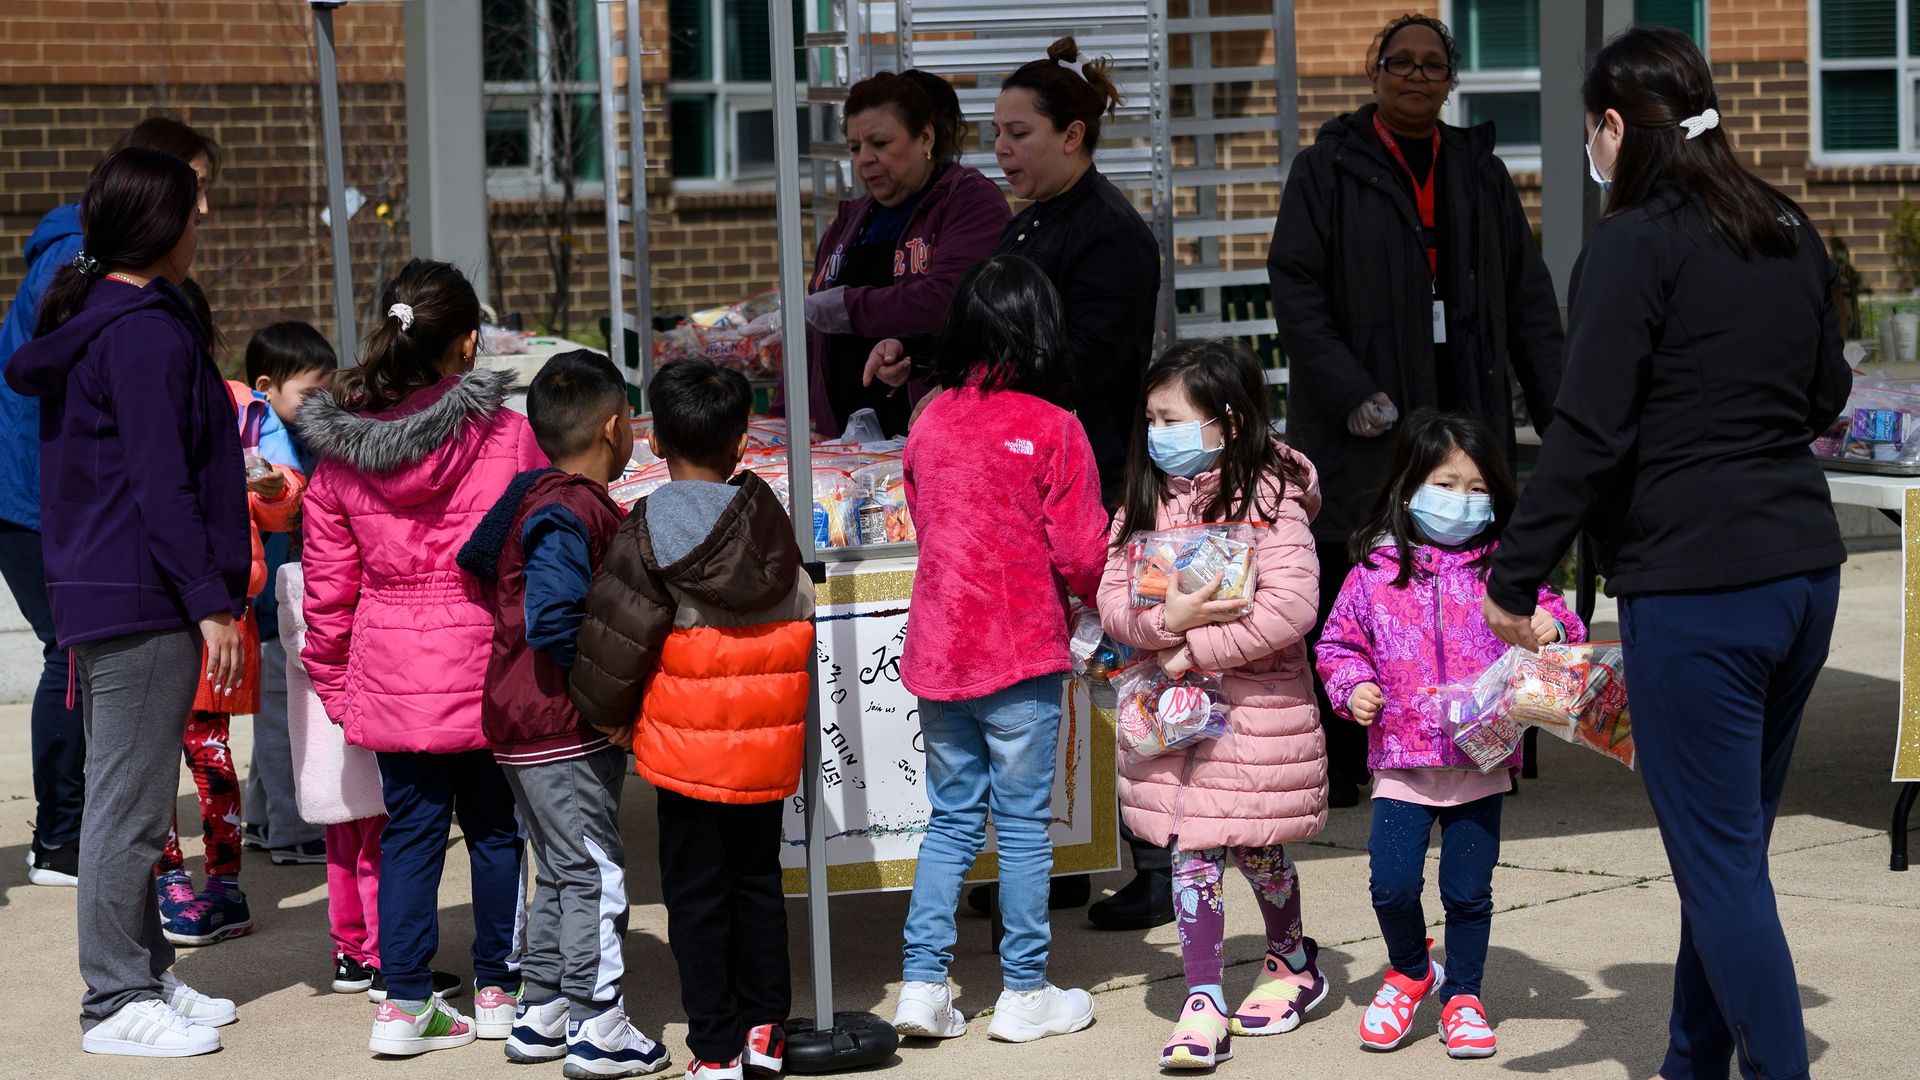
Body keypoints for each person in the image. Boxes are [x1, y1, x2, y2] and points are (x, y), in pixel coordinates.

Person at [1483, 28, 1852, 1080]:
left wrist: (1516, 575)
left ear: (1612, 126)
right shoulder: (1785, 222)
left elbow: (1587, 428)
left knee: (1722, 861)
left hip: (1700, 588)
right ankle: (1693, 1060)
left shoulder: (1635, 241)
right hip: (1802, 576)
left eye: (1589, 130)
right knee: (1724, 849)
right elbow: (1825, 395)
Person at [871, 34, 1172, 931]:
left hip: (1093, 478)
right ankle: (1062, 862)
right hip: (1029, 479)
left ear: (1073, 134)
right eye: (995, 134)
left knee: (1117, 666)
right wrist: (925, 358)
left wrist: (987, 403)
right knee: (1049, 683)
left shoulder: (1112, 233)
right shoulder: (1030, 218)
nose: (999, 151)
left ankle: (1155, 862)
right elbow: (992, 336)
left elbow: (1091, 362)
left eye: (1017, 133)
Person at [1267, 13, 1564, 810]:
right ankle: (1352, 754)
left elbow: (1529, 298)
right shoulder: (1325, 169)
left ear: (1451, 78)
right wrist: (1347, 389)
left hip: (1465, 407)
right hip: (1366, 418)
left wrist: (1559, 413)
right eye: (1402, 62)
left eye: (1435, 65)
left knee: (1478, 579)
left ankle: (1490, 741)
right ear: (1375, 73)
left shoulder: (1478, 169)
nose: (1418, 76)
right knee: (1363, 580)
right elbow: (1295, 290)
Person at [6, 146, 243, 1057]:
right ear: (161, 224)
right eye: (196, 204)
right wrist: (208, 601)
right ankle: (113, 1001)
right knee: (129, 808)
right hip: (141, 596)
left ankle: (140, 971)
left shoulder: (118, 315)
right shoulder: (140, 329)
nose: (205, 218)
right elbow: (159, 482)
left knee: (130, 797)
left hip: (117, 587)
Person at [299, 259, 549, 1057]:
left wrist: (338, 683)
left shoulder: (342, 456)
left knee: (407, 834)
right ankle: (499, 987)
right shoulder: (510, 435)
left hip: (394, 667)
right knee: (494, 829)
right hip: (489, 663)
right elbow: (542, 552)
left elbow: (328, 594)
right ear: (469, 342)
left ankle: (402, 1004)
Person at [571, 358, 816, 1080]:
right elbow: (799, 614)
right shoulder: (771, 526)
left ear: (653, 440)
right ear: (741, 440)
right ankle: (766, 1037)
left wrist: (610, 718)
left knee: (697, 900)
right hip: (766, 752)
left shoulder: (647, 529)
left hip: (685, 754)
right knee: (758, 888)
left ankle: (715, 1050)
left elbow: (617, 641)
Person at [886, 255, 1108, 1045]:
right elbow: (1084, 554)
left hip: (941, 651)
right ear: (1040, 328)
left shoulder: (931, 417)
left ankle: (920, 983)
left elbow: (918, 507)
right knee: (1019, 828)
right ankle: (1023, 989)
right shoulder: (1056, 427)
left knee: (948, 822)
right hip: (1021, 655)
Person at [1317, 412, 1583, 1058]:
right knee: (1391, 883)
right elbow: (1336, 644)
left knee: (1469, 891)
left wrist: (1553, 629)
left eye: (1475, 488)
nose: (1461, 501)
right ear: (1409, 488)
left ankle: (1463, 994)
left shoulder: (1507, 572)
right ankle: (1411, 969)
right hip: (1403, 762)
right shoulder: (1375, 573)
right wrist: (1352, 687)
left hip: (1480, 760)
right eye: (1446, 483)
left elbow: (1562, 627)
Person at [1094, 339, 1331, 1069]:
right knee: (1193, 855)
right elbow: (1111, 599)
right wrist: (1168, 625)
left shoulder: (1268, 495)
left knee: (1259, 848)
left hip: (1254, 717)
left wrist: (1195, 650)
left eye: (1170, 416)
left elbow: (1293, 605)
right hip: (1172, 722)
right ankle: (1203, 999)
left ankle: (1291, 958)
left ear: (1225, 421)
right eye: (1151, 416)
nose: (1156, 430)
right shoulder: (1146, 499)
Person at [455, 349, 668, 1076]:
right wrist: (605, 704)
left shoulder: (540, 495)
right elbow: (553, 618)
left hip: (523, 723)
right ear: (615, 428)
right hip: (559, 725)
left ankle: (542, 1010)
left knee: (562, 868)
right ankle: (599, 1021)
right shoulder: (568, 509)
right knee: (596, 872)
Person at [152, 304, 310, 948]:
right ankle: (168, 881)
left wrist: (273, 487)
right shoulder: (124, 403)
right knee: (152, 758)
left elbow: (283, 500)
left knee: (210, 753)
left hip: (220, 606)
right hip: (149, 608)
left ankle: (222, 881)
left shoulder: (242, 407)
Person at [798, 69, 1010, 438]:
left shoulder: (969, 202)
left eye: (879, 143)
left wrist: (844, 306)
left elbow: (947, 299)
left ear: (925, 137)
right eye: (854, 148)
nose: (865, 159)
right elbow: (813, 333)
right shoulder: (850, 221)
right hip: (847, 443)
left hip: (937, 435)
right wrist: (787, 415)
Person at [241, 321, 337, 867]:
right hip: (279, 607)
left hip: (284, 604)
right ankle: (294, 829)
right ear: (265, 387)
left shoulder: (303, 437)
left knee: (275, 718)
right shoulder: (267, 451)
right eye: (310, 393)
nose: (320, 403)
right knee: (284, 720)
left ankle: (260, 819)